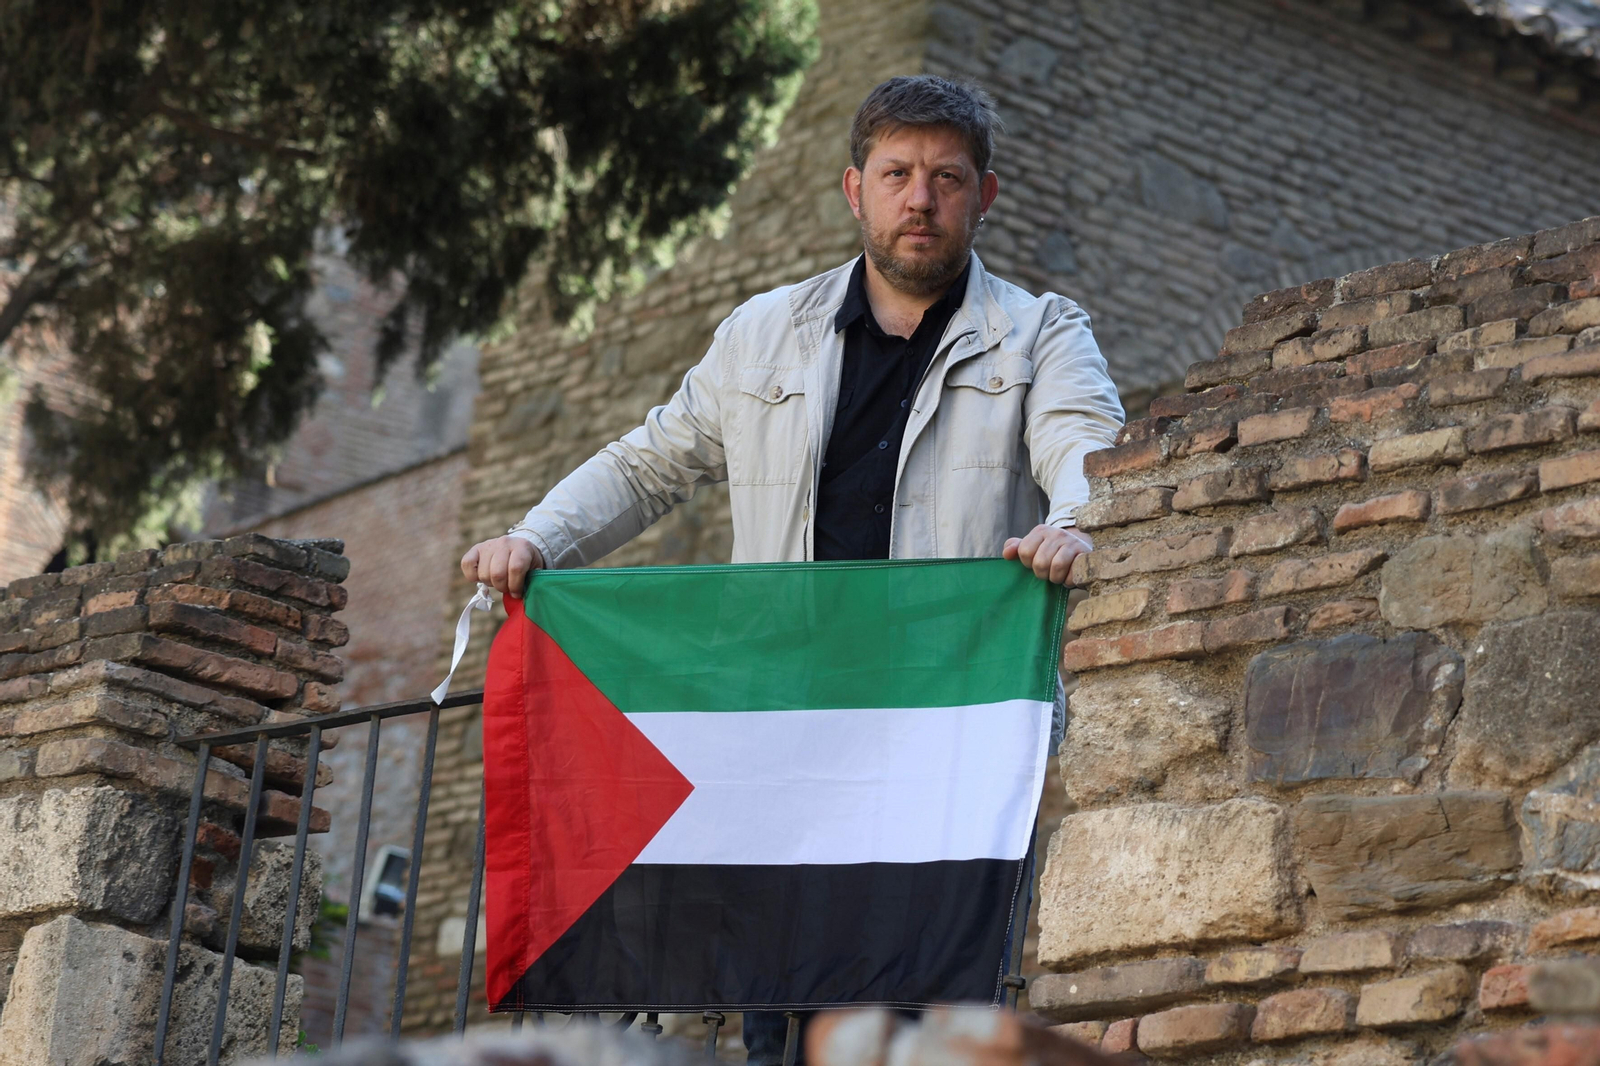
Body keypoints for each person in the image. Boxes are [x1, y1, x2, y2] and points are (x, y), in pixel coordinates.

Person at [461, 75, 1123, 1064]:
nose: (920, 198)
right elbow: (653, 461)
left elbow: (1087, 447)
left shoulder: (1042, 334)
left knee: (926, 1000)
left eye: (946, 178)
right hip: (786, 731)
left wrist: (1074, 521)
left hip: (938, 726)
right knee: (782, 1006)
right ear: (853, 187)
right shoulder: (763, 332)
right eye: (897, 174)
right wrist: (538, 541)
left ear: (984, 196)